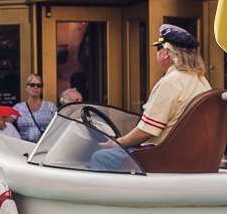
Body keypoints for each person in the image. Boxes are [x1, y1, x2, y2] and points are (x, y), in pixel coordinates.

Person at [88, 25, 210, 171]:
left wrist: (117, 142)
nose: (156, 55)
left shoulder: (170, 82)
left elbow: (147, 131)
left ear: (166, 53)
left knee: (101, 157)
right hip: (189, 155)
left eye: (158, 49)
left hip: (162, 156)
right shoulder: (201, 81)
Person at [11, 74, 57, 143]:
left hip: (44, 146)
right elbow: (6, 122)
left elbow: (59, 125)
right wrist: (0, 119)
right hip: (23, 147)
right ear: (27, 88)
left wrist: (48, 134)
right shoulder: (19, 107)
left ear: (41, 89)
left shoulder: (50, 106)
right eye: (32, 85)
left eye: (39, 85)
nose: (35, 87)